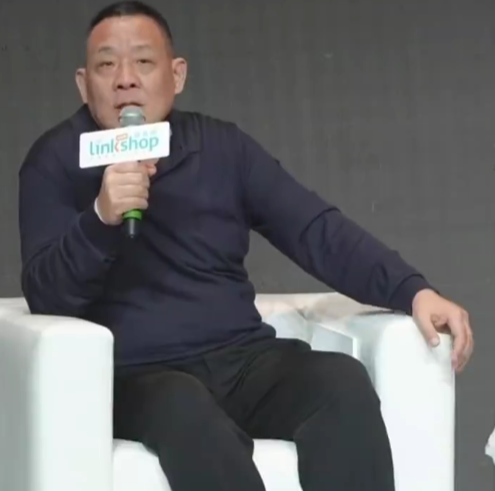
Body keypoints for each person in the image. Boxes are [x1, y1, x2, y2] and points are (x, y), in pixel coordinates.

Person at [18, 2, 473, 490]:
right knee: (183, 406)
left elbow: (314, 229)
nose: (125, 80)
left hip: (239, 359)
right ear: (84, 84)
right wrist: (100, 220)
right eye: (107, 65)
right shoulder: (56, 161)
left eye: (143, 62)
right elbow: (46, 296)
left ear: (177, 74)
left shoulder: (222, 148)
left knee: (339, 383)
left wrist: (411, 290)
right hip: (137, 376)